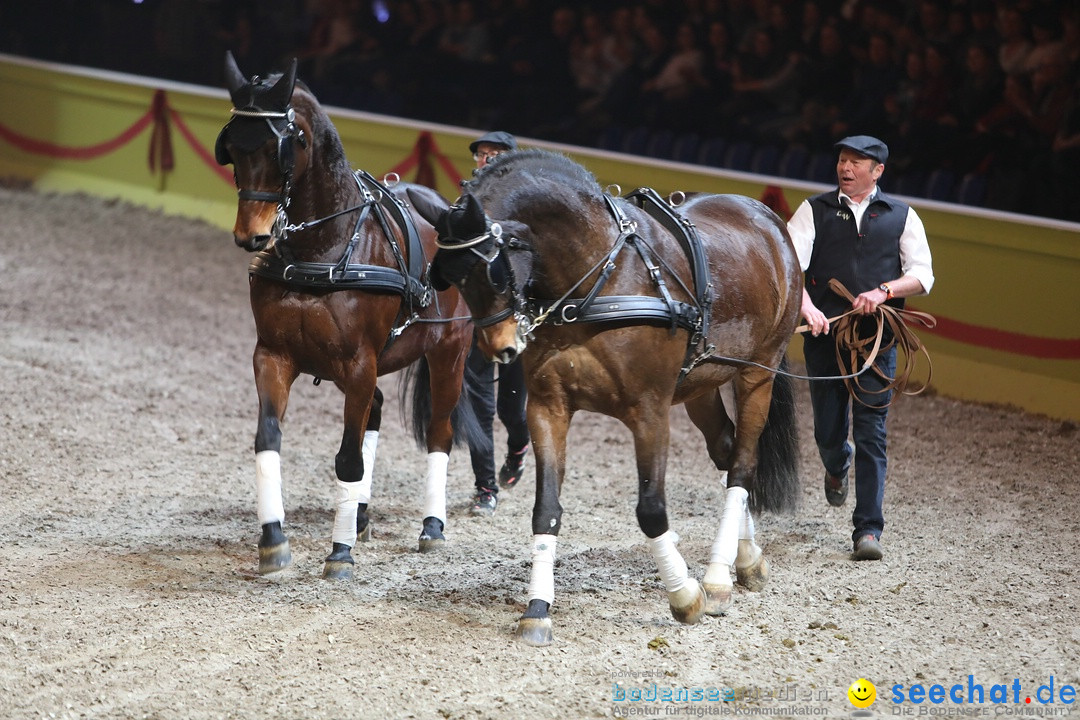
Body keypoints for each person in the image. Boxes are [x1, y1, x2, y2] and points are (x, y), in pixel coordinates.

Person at [786, 135, 935, 561]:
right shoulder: (812, 211)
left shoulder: (902, 217)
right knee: (828, 431)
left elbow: (923, 276)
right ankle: (836, 464)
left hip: (876, 341)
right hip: (824, 336)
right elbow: (791, 268)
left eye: (856, 162)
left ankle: (868, 530)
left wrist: (885, 291)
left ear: (878, 171)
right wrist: (808, 309)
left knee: (873, 432)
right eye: (841, 160)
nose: (845, 168)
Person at [463, 131, 531, 516]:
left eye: (495, 154)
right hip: (476, 317)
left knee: (511, 408)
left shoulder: (525, 203)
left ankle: (518, 445)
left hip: (513, 317)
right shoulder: (467, 200)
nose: (486, 160)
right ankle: (485, 488)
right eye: (482, 154)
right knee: (479, 406)